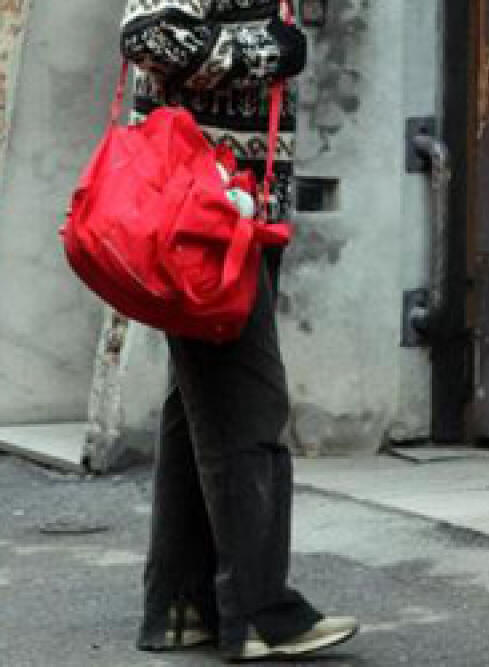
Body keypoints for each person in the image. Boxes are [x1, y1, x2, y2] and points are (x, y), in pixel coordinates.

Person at [119, 0, 359, 662]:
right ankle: (258, 613)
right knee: (249, 403)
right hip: (200, 215)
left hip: (240, 211)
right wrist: (269, 52)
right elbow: (147, 35)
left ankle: (178, 604)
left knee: (194, 404)